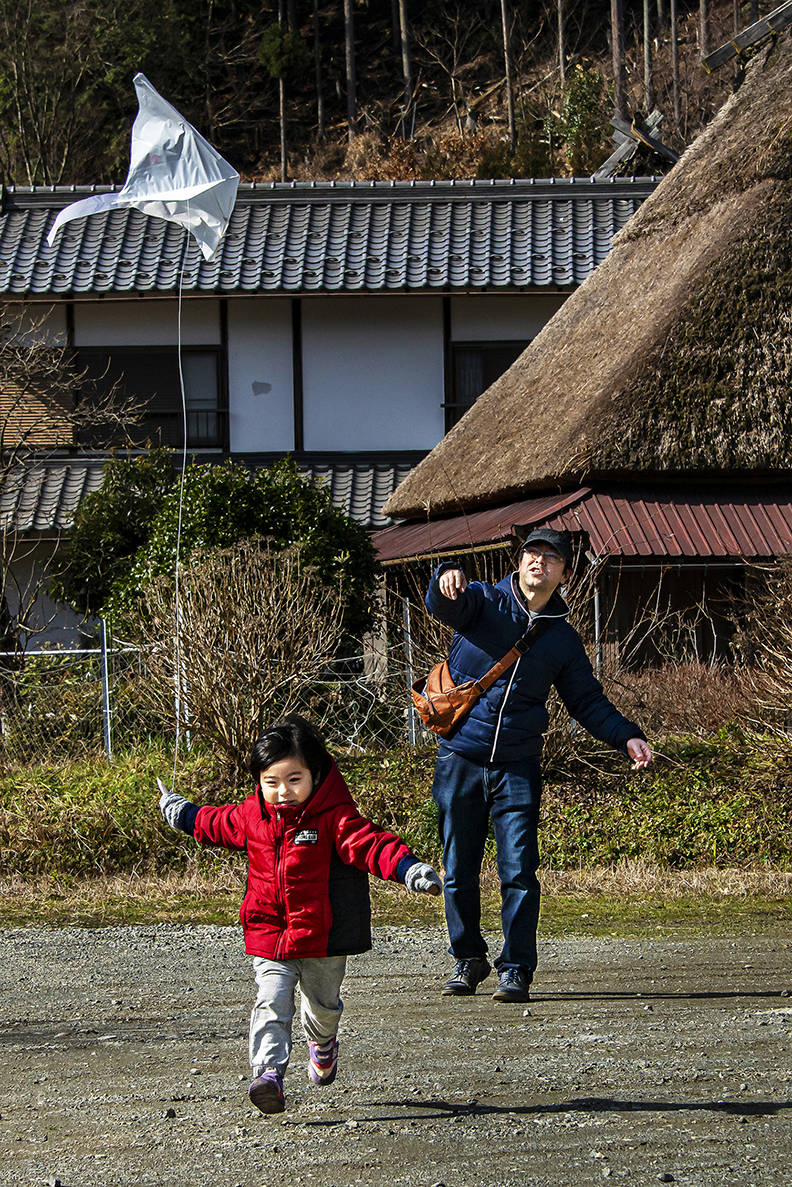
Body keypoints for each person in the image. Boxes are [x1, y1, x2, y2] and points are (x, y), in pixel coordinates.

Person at [157, 714, 441, 1115]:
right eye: (271, 783)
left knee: (322, 1008)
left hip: (321, 938)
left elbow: (371, 845)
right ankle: (267, 1074)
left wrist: (409, 870)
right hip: (270, 933)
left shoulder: (334, 817)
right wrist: (181, 813)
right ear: (259, 782)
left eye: (294, 780)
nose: (283, 792)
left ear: (316, 773)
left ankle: (323, 1044)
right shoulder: (250, 815)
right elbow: (213, 822)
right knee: (271, 999)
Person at [425, 527, 652, 1004]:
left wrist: (626, 734)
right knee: (457, 869)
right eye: (533, 553)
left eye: (552, 558)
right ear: (519, 560)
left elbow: (587, 701)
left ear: (564, 573)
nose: (540, 562)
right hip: (459, 757)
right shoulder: (482, 600)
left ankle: (516, 970)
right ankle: (468, 959)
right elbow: (443, 605)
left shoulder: (562, 640)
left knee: (520, 871)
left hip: (518, 766)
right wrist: (445, 575)